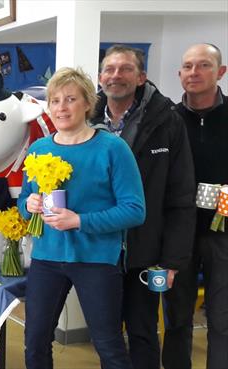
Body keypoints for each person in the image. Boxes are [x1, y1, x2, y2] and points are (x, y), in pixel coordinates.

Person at [17, 67, 145, 369]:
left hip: (97, 260)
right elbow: (23, 201)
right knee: (35, 341)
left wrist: (79, 221)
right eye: (55, 100)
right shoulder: (39, 148)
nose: (61, 107)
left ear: (88, 103)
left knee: (108, 345)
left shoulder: (113, 148)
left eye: (70, 99)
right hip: (47, 259)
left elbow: (135, 210)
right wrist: (30, 204)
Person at [90, 44, 196, 369]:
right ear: (100, 77)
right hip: (99, 253)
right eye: (109, 69)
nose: (116, 75)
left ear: (141, 77)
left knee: (143, 333)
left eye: (125, 69)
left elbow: (180, 197)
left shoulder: (168, 123)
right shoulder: (85, 120)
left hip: (146, 254)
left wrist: (172, 261)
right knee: (106, 336)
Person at [172, 43, 228, 369]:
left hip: (223, 233)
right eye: (188, 66)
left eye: (204, 65)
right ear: (180, 74)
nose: (194, 73)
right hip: (179, 233)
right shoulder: (167, 121)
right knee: (178, 314)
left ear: (220, 72)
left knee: (222, 317)